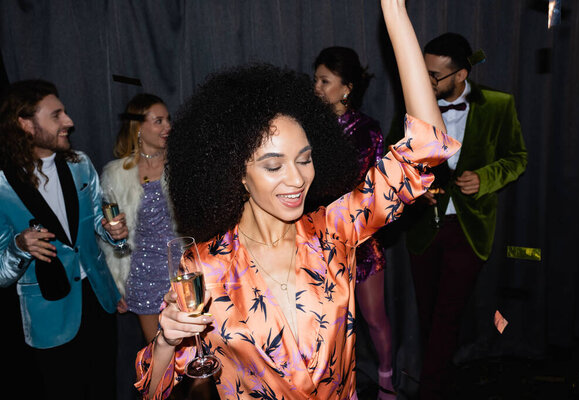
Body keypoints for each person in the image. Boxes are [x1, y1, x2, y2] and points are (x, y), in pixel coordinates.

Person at [135, 1, 460, 399]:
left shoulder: (336, 229)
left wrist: (394, 12)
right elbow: (154, 393)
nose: (297, 178)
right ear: (236, 171)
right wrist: (167, 340)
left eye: (304, 159)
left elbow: (425, 146)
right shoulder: (203, 266)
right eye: (274, 166)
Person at [390, 33, 528, 399]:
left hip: (469, 228)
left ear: (461, 75)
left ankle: (430, 392)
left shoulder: (499, 105)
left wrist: (485, 178)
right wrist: (416, 190)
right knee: (428, 315)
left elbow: (518, 159)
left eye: (434, 75)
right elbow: (392, 163)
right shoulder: (411, 106)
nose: (426, 81)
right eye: (424, 72)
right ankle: (444, 379)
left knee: (448, 316)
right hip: (423, 230)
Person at [0, 79, 128, 399]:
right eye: (56, 115)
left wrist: (111, 231)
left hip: (97, 300)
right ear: (25, 124)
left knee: (105, 388)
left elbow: (97, 221)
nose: (69, 122)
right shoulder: (2, 185)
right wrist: (19, 247)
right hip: (50, 312)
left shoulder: (80, 165)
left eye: (65, 113)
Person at [313, 46, 394, 399]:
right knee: (329, 327)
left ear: (346, 87)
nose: (316, 86)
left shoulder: (365, 130)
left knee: (374, 320)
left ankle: (387, 379)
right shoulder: (307, 126)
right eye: (315, 79)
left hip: (357, 240)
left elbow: (361, 187)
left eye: (324, 81)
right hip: (314, 242)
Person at [99, 93, 175, 344]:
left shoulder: (181, 165)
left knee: (195, 355)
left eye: (168, 120)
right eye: (159, 121)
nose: (167, 127)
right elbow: (110, 240)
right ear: (138, 128)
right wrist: (117, 285)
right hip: (143, 277)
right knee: (158, 355)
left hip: (184, 271)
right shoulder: (116, 174)